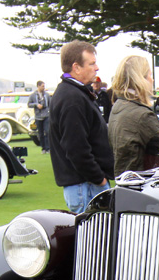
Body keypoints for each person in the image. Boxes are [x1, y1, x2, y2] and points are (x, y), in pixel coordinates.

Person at [48, 40, 114, 214]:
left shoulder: (74, 93)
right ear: (76, 67)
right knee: (95, 239)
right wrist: (99, 178)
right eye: (92, 63)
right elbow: (76, 148)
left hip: (85, 184)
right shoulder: (71, 98)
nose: (97, 67)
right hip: (85, 186)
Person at [107, 55, 159, 176]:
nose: (152, 80)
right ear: (140, 78)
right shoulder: (142, 115)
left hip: (124, 181)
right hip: (140, 185)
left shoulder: (119, 106)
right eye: (150, 75)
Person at [28, 80, 51, 153]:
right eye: (42, 86)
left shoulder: (46, 95)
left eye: (44, 86)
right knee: (40, 133)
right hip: (38, 116)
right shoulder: (33, 95)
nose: (44, 88)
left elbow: (50, 104)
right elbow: (29, 104)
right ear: (38, 86)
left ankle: (48, 148)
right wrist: (36, 105)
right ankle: (43, 148)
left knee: (47, 131)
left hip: (46, 115)